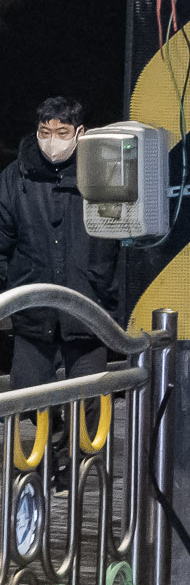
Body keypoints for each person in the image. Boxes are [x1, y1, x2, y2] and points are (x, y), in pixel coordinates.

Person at [0, 97, 124, 389]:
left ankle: (80, 435)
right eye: (45, 132)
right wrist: (11, 290)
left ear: (80, 132)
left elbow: (122, 242)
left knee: (89, 401)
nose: (52, 141)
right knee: (27, 392)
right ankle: (53, 433)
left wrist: (109, 290)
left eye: (62, 133)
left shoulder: (102, 174)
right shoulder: (14, 178)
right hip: (32, 310)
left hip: (89, 309)